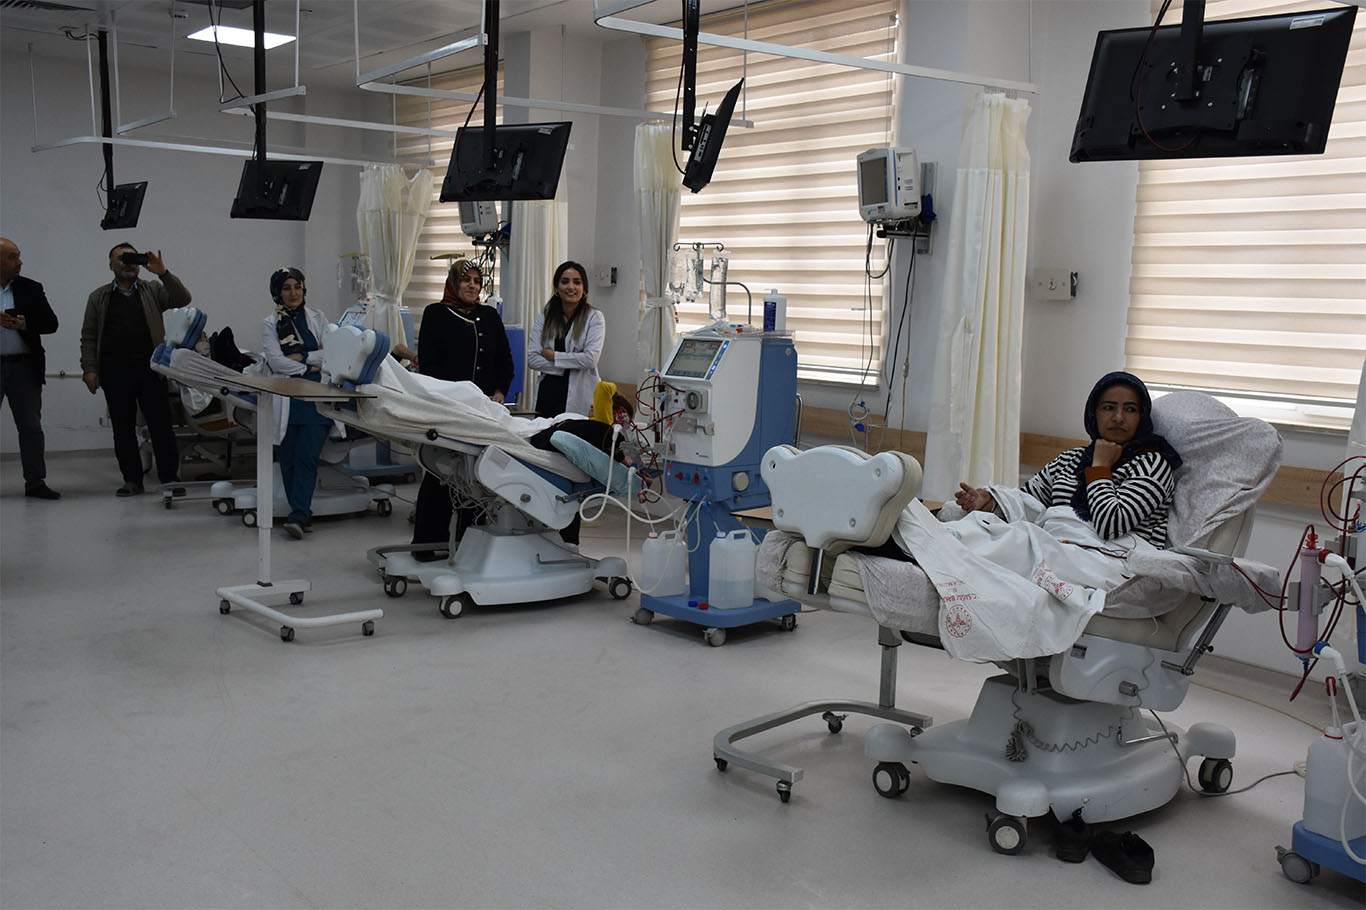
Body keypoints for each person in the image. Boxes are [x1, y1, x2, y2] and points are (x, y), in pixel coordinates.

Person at [953, 370, 1181, 548]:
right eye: (1108, 408)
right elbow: (1028, 500)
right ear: (1094, 414)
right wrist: (990, 501)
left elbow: (1111, 525)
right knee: (966, 533)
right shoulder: (1072, 459)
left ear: (1142, 417)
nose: (1119, 417)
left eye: (1130, 410)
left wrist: (1100, 469)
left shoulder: (1153, 465)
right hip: (1059, 549)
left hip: (1114, 562)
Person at [411, 258, 515, 559]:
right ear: (453, 283)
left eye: (477, 281)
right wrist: (449, 398)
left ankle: (470, 545)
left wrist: (499, 392)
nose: (472, 285)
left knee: (478, 476)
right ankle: (427, 545)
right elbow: (429, 364)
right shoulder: (436, 314)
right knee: (441, 474)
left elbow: (505, 361)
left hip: (484, 411)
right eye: (465, 279)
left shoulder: (489, 316)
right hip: (448, 409)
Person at [80, 243, 191, 496]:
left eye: (133, 258)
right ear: (111, 265)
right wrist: (89, 369)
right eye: (123, 258)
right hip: (114, 370)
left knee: (161, 426)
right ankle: (132, 480)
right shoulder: (98, 297)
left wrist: (163, 273)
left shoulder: (152, 290)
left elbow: (182, 299)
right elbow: (89, 335)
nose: (129, 264)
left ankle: (169, 479)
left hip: (151, 368)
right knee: (123, 428)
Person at [261, 268, 339, 539]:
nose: (293, 293)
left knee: (306, 456)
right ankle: (301, 514)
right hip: (288, 398)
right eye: (286, 288)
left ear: (304, 289)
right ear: (277, 293)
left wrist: (302, 358)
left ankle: (298, 514)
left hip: (316, 397)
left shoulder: (318, 317)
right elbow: (276, 362)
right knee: (288, 459)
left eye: (297, 286)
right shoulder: (270, 323)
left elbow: (330, 353)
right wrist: (310, 363)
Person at [0, 237, 61, 499]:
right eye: (12, 256)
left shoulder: (30, 288)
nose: (19, 261)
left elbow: (51, 323)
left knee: (30, 426)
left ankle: (35, 482)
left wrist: (24, 323)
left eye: (18, 255)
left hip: (24, 366)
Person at [526, 260, 605, 418]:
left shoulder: (594, 317)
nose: (571, 287)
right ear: (556, 288)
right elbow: (532, 359)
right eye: (564, 282)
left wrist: (554, 356)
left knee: (572, 431)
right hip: (547, 394)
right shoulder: (545, 316)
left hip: (579, 396)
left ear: (584, 289)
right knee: (543, 432)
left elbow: (590, 359)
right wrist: (567, 366)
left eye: (577, 282)